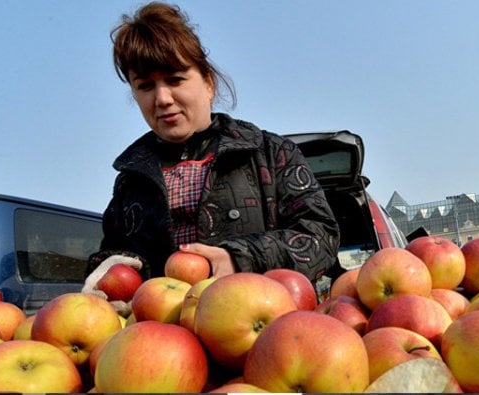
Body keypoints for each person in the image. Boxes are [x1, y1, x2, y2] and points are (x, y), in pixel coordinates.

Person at [82, 1, 340, 308]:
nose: (162, 98)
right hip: (162, 340)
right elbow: (117, 252)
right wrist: (109, 274)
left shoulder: (272, 155)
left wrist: (240, 258)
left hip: (262, 329)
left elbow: (320, 236)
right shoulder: (131, 179)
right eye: (145, 86)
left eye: (175, 80)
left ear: (208, 83)